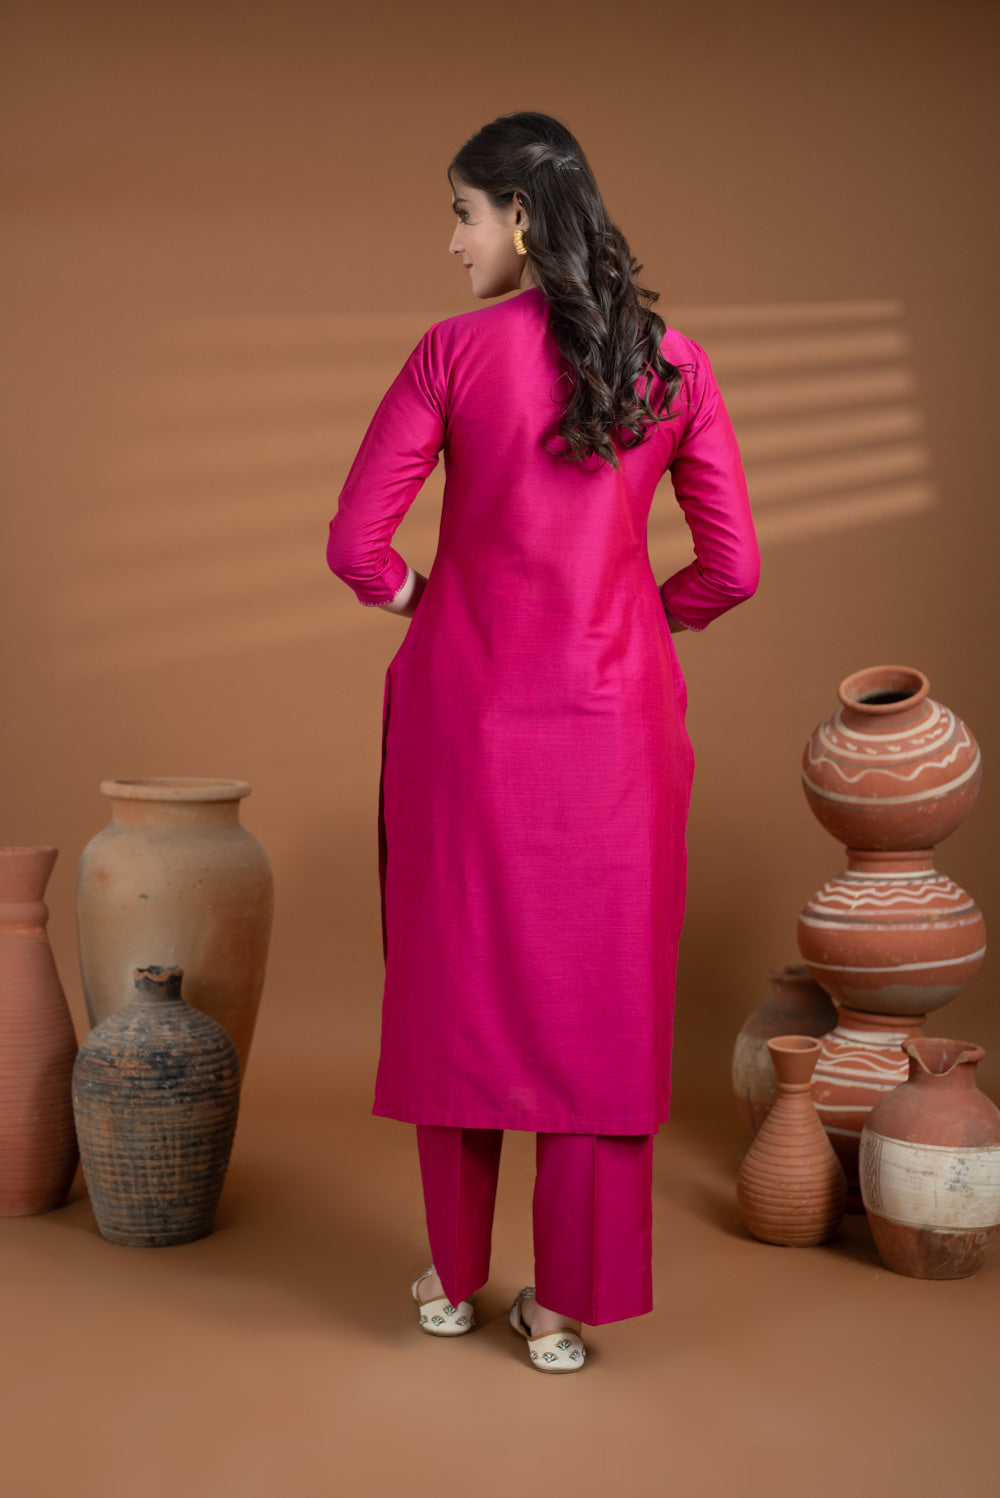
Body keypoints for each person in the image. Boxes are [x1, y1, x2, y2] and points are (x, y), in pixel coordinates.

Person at [326, 111, 759, 1373]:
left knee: (458, 991)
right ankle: (563, 1306)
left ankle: (453, 1280)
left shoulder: (451, 354)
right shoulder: (673, 364)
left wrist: (429, 604)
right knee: (597, 1007)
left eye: (462, 213)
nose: (452, 241)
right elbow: (730, 569)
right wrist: (642, 617)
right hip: (616, 733)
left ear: (518, 216)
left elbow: (356, 547)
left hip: (466, 725)